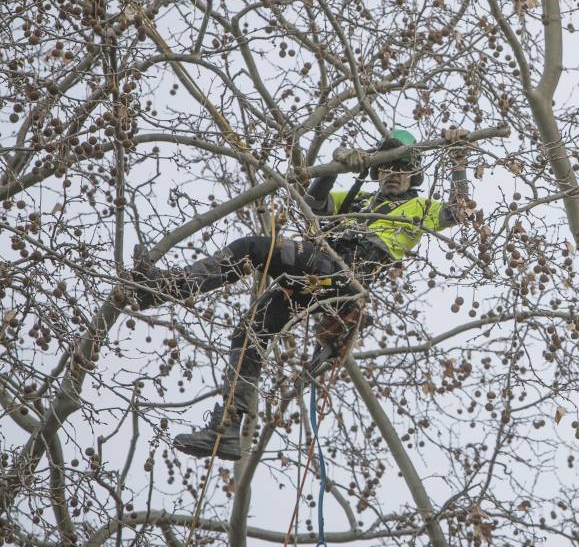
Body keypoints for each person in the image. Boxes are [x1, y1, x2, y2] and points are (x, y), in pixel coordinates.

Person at [128, 127, 472, 460]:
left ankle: (166, 289)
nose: (393, 174)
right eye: (386, 167)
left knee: (250, 247)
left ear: (414, 175)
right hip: (318, 279)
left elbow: (460, 210)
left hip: (345, 272)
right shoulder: (357, 199)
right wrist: (337, 167)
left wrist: (458, 161)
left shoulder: (420, 208)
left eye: (402, 168)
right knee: (253, 327)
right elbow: (315, 203)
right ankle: (229, 428)